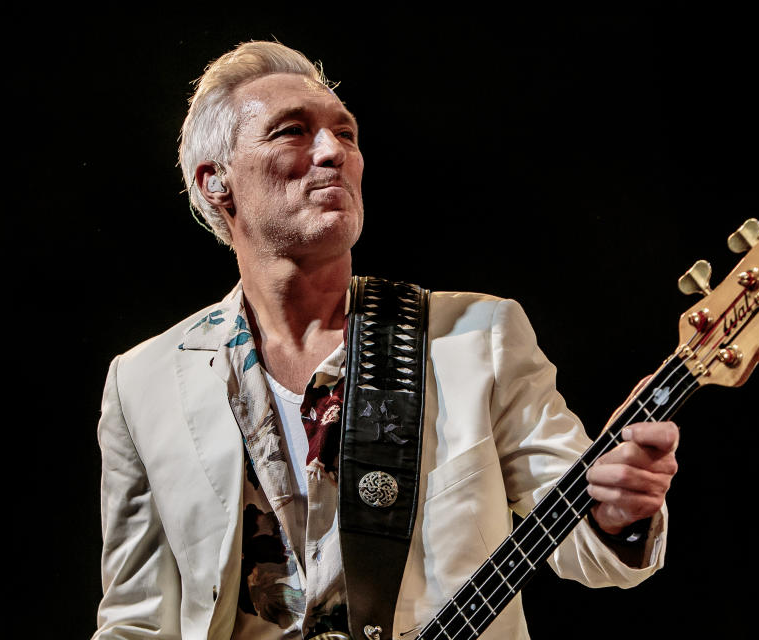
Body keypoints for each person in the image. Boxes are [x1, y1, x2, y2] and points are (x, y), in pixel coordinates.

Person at [94, 40, 680, 640]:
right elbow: (136, 620)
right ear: (216, 181)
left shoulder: (478, 338)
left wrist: (620, 514)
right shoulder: (144, 382)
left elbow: (584, 541)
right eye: (293, 131)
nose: (333, 153)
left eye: (345, 134)